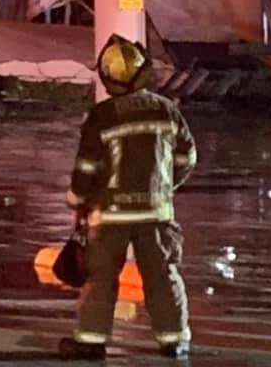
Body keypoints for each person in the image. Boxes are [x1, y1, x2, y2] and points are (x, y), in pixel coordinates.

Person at [58, 34, 197, 361]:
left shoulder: (102, 116)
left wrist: (77, 200)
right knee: (163, 276)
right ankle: (174, 341)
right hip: (156, 213)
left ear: (107, 78)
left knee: (101, 278)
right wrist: (164, 188)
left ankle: (91, 341)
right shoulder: (166, 111)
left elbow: (86, 169)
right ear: (143, 70)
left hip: (110, 215)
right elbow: (187, 158)